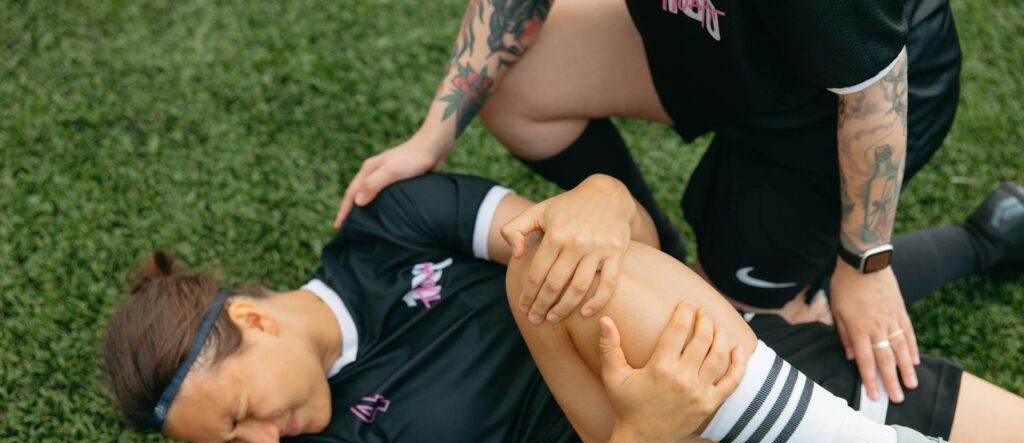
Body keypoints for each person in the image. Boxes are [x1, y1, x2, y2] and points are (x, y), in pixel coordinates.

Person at [104, 174, 1024, 443]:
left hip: (752, 373)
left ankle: (981, 254)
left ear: (252, 322)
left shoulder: (387, 229)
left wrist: (603, 195)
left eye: (240, 415)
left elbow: (615, 246)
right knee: (541, 275)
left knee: (556, 256)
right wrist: (641, 440)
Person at [334, 0, 1024, 411]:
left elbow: (874, 95)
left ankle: (983, 238)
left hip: (836, 109)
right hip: (714, 45)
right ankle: (652, 247)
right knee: (518, 87)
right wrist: (432, 135)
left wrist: (864, 263)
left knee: (730, 337)